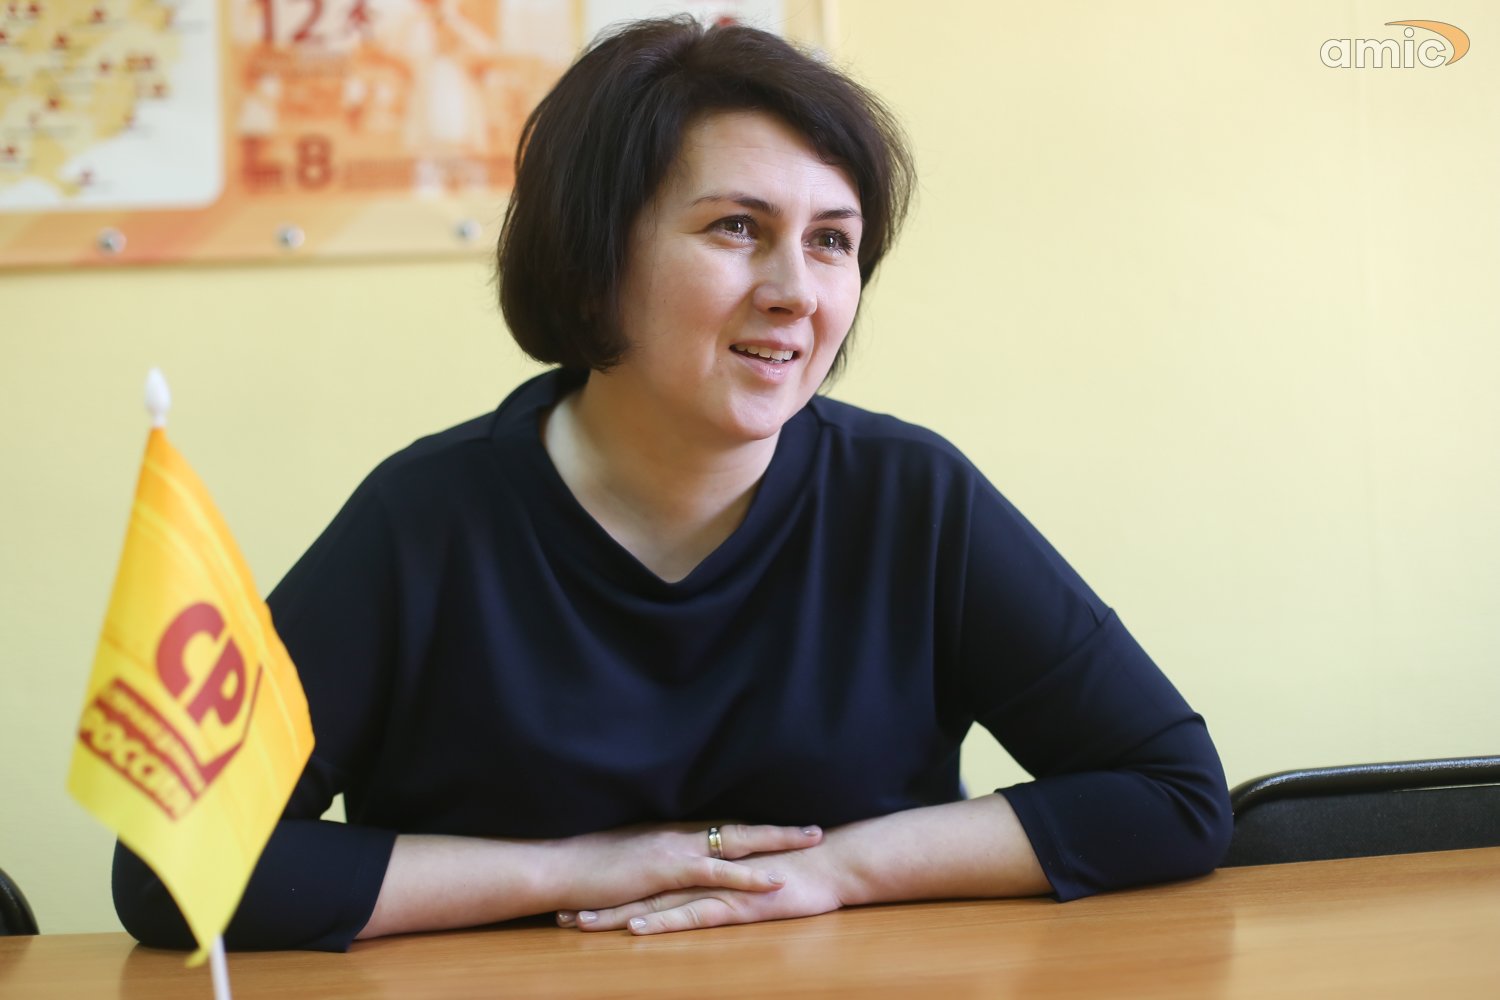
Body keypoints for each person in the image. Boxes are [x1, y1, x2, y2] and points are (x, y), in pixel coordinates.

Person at [114, 17, 1231, 951]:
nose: (797, 291)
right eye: (738, 228)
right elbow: (172, 867)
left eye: (832, 241)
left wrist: (833, 870)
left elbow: (1172, 793)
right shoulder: (426, 519)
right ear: (593, 262)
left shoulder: (913, 497)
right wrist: (575, 869)